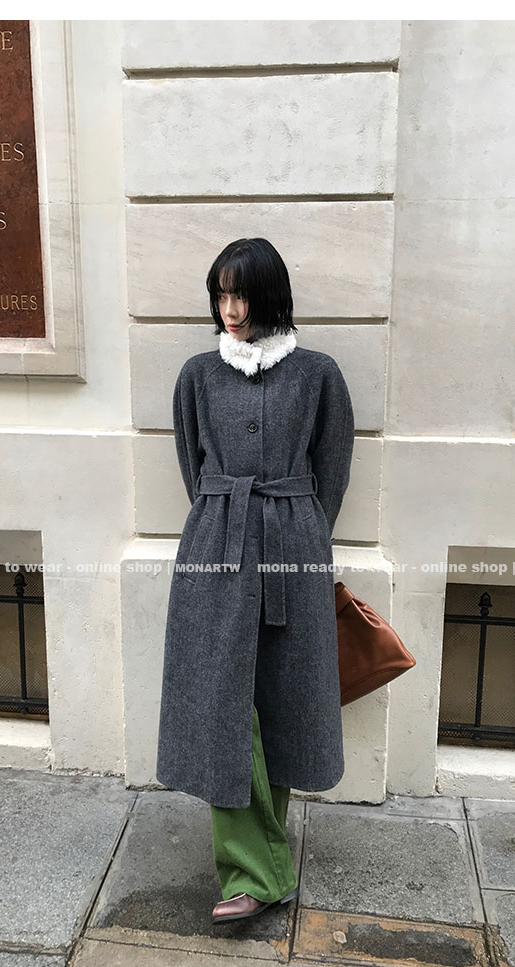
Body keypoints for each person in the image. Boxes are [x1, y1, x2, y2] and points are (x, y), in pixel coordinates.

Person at [157, 237, 355, 924]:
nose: (230, 309)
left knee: (280, 701)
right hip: (217, 543)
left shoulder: (319, 374)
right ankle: (254, 872)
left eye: (241, 294)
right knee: (223, 706)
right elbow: (194, 469)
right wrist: (226, 522)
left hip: (293, 547)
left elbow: (332, 472)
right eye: (220, 295)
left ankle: (263, 866)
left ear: (270, 295)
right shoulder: (197, 375)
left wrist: (299, 532)